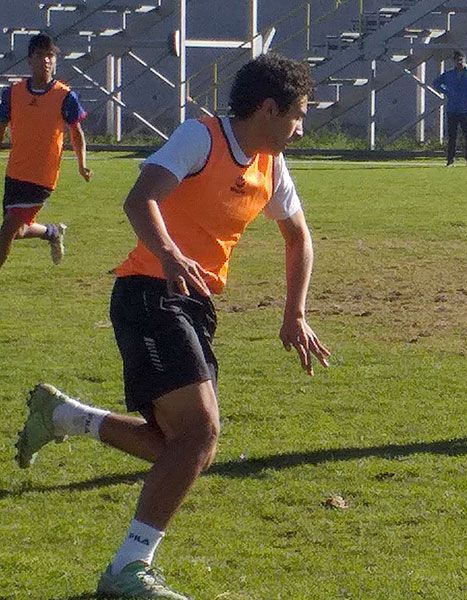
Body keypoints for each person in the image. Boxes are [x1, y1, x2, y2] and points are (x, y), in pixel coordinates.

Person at [14, 53, 331, 599]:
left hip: (193, 304)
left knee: (181, 446)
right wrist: (167, 253)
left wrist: (294, 314)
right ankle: (126, 571)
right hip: (149, 291)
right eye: (298, 114)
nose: (301, 128)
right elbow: (140, 199)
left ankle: (63, 416)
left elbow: (299, 238)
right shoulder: (200, 138)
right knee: (201, 434)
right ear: (269, 108)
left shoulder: (270, 165)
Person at [0, 33, 91, 268]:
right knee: (18, 230)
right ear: (30, 59)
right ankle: (52, 232)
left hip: (42, 178)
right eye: (40, 55)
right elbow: (1, 125)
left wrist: (82, 164)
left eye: (50, 55)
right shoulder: (13, 93)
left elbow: (76, 132)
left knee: (7, 230)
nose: (46, 61)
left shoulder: (65, 96)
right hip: (15, 173)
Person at [432, 50, 467, 167]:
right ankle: (450, 160)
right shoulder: (449, 74)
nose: (459, 63)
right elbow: (436, 83)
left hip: (465, 110)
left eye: (461, 60)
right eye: (457, 60)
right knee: (452, 136)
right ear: (453, 61)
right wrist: (446, 92)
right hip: (452, 109)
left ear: (464, 60)